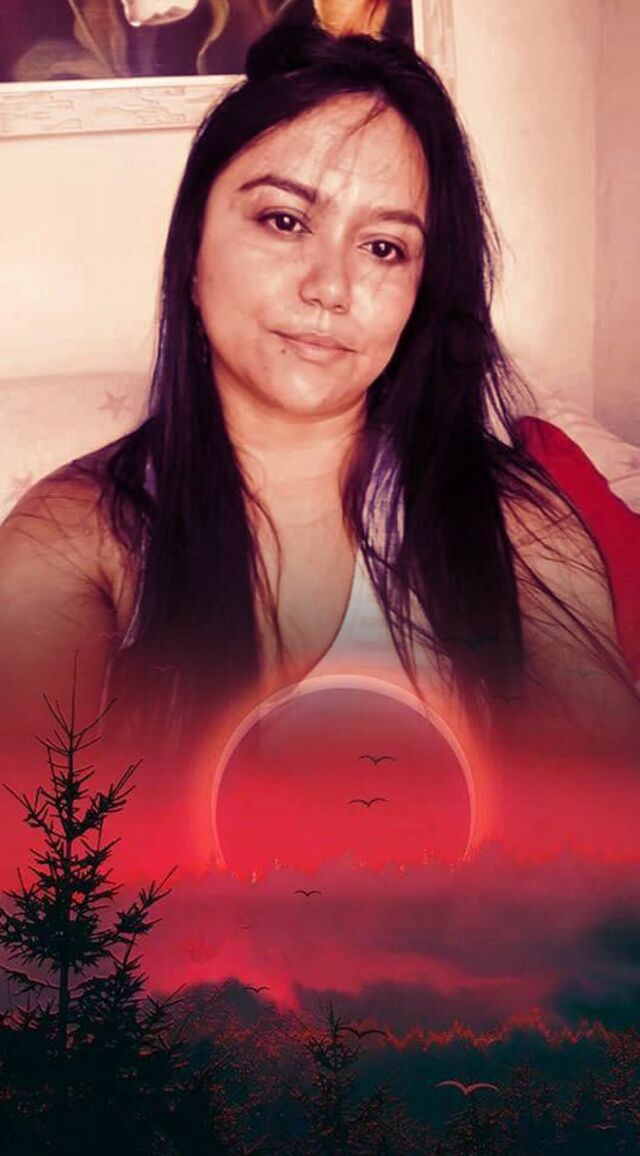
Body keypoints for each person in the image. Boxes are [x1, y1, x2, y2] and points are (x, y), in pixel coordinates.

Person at [0, 25, 638, 843]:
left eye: (384, 248)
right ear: (192, 250)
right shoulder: (74, 538)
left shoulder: (515, 522)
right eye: (284, 220)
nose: (331, 287)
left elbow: (613, 845)